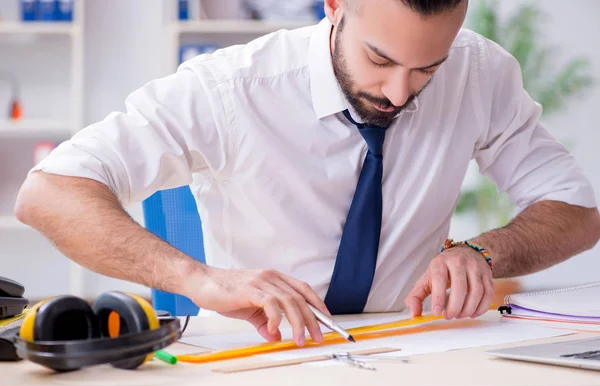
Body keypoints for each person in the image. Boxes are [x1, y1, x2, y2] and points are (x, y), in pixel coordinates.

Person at [14, 0, 600, 347]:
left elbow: (575, 212)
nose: (398, 93)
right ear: (335, 5)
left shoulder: (481, 72)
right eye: (380, 59)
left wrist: (481, 252)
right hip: (259, 355)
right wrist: (196, 277)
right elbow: (49, 192)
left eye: (428, 68)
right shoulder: (228, 87)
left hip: (407, 346)